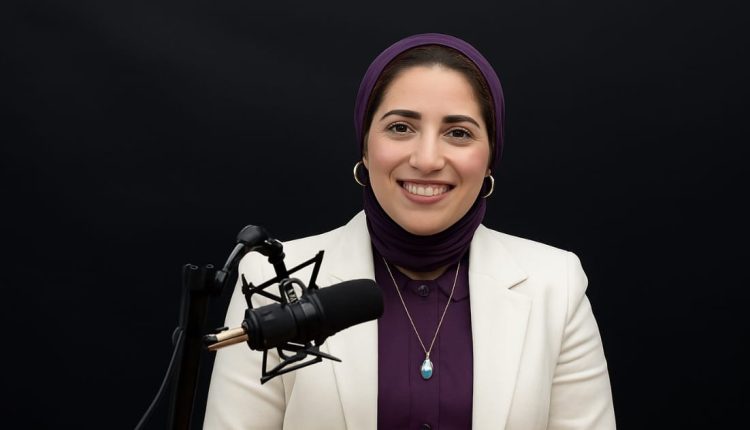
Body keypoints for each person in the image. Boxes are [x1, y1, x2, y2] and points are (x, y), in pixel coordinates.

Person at [203, 33, 616, 430]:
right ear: (365, 146)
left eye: (458, 133)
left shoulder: (556, 285)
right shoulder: (270, 279)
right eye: (401, 127)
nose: (427, 159)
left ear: (491, 156)